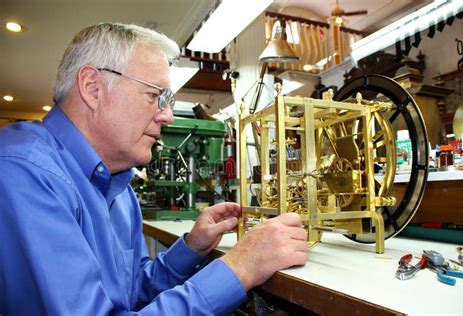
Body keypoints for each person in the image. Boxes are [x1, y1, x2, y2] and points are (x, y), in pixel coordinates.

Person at [0, 23, 308, 315]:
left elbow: (132, 294)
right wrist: (240, 268)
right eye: (154, 96)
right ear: (92, 87)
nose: (168, 116)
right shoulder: (23, 173)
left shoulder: (120, 191)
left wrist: (191, 248)